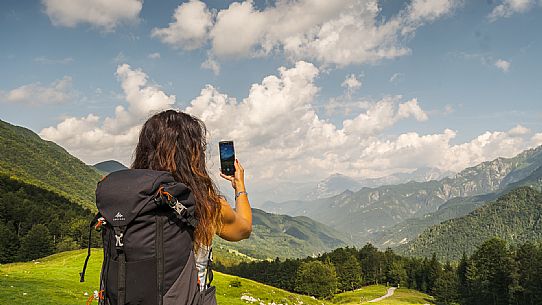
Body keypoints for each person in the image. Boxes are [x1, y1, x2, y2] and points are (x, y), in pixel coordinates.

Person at [132, 109, 253, 290]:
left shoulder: (127, 197)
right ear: (194, 155)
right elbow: (243, 230)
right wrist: (239, 186)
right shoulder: (206, 204)